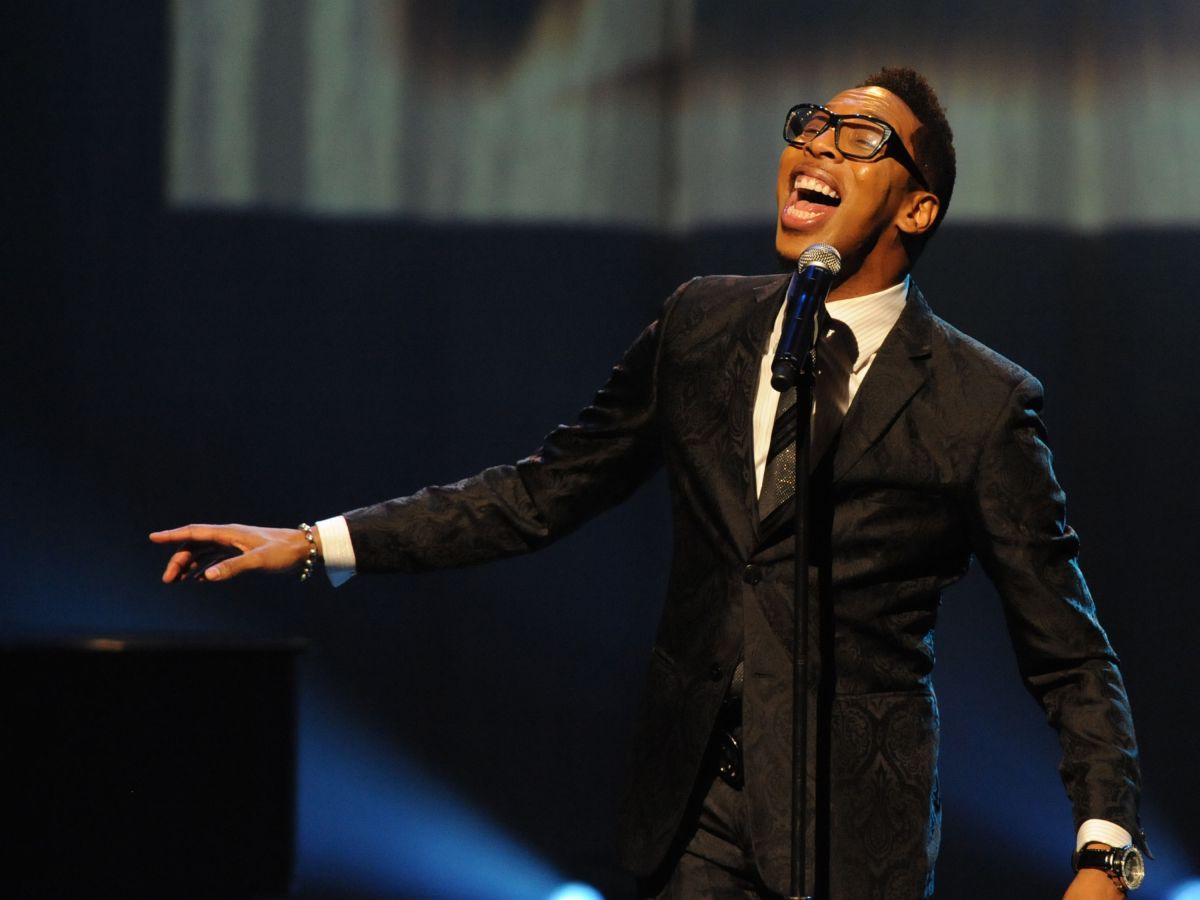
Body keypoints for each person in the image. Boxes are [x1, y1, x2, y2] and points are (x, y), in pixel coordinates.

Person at [151, 67, 1146, 899]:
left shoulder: (980, 401)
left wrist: (1104, 848)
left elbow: (1068, 651)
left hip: (854, 839)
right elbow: (543, 490)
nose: (817, 146)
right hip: (690, 818)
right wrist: (316, 541)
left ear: (919, 206)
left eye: (860, 139)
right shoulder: (702, 326)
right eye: (812, 126)